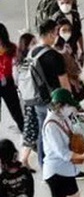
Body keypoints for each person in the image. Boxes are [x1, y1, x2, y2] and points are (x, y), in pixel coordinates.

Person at [32, 19, 69, 168]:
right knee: (62, 132)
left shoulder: (32, 52)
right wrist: (71, 102)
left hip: (37, 100)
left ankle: (43, 164)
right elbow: (64, 84)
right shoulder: (55, 56)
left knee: (43, 133)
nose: (57, 36)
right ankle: (67, 164)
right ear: (49, 34)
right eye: (55, 32)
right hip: (55, 101)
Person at [42, 88, 84, 197]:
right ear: (60, 106)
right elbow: (61, 152)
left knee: (76, 195)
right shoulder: (51, 125)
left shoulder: (62, 117)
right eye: (69, 106)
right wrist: (82, 156)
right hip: (56, 172)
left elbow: (76, 133)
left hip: (67, 169)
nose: (71, 108)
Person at [15, 33, 37, 171]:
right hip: (33, 100)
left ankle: (24, 160)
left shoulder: (19, 63)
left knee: (30, 130)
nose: (35, 45)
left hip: (26, 99)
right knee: (31, 130)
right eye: (33, 43)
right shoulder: (30, 62)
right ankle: (23, 160)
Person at [54, 19, 84, 103]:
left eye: (69, 30)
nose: (67, 32)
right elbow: (61, 67)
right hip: (66, 80)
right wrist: (71, 79)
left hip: (73, 77)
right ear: (58, 31)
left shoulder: (68, 45)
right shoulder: (57, 48)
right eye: (64, 30)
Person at [0, 23, 24, 135]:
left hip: (8, 83)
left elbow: (18, 63)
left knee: (16, 111)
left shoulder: (11, 48)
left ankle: (26, 134)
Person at [51, 0, 84, 64]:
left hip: (73, 49)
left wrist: (82, 50)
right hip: (60, 51)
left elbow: (79, 33)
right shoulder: (55, 18)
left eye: (68, 2)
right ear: (58, 3)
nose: (65, 5)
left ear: (72, 1)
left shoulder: (75, 15)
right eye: (62, 3)